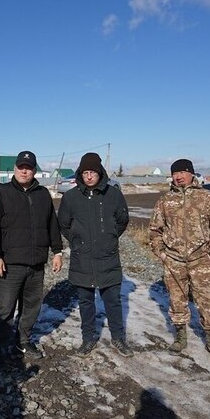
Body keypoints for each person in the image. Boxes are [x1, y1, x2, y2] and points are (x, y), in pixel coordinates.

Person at [0, 150, 63, 367]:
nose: (24, 171)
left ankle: (22, 341)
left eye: (28, 167)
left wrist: (57, 251)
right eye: (20, 167)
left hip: (37, 264)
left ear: (34, 170)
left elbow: (51, 225)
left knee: (32, 308)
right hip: (10, 265)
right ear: (15, 169)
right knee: (5, 309)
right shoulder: (1, 193)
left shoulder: (43, 194)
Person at [149, 159, 210, 359]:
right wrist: (162, 253)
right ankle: (180, 336)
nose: (178, 176)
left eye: (183, 172)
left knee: (207, 300)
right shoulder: (165, 200)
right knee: (177, 300)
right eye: (175, 173)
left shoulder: (206, 197)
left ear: (191, 173)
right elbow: (155, 230)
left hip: (201, 259)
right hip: (173, 260)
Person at [57, 152, 132, 357]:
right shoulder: (71, 197)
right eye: (85, 172)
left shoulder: (113, 195)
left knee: (113, 301)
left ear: (101, 173)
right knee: (86, 302)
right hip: (83, 258)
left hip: (108, 257)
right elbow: (63, 223)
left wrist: (109, 237)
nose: (89, 176)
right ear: (80, 174)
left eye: (93, 172)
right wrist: (76, 241)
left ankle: (118, 338)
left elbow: (122, 220)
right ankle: (88, 339)